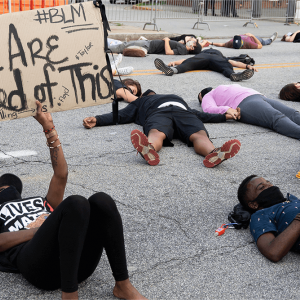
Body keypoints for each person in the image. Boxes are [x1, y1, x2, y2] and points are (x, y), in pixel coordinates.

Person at [0, 101, 147, 300]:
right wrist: (40, 230)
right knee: (75, 203)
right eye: (2, 187)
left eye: (8, 185)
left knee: (100, 201)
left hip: (77, 264)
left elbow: (61, 175)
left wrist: (49, 128)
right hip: (38, 268)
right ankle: (69, 295)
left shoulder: (38, 202)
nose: (6, 188)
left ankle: (123, 284)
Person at [83, 86, 241, 168]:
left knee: (198, 134)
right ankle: (148, 148)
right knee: (161, 132)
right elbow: (121, 114)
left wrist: (225, 116)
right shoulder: (140, 101)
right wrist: (97, 119)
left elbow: (202, 115)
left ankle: (215, 154)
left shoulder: (159, 99)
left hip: (181, 112)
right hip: (163, 112)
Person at [199, 84, 300, 140]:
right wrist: (227, 109)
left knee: (289, 114)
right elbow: (208, 109)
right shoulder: (208, 95)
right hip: (248, 101)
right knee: (278, 117)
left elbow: (209, 109)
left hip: (255, 97)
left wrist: (226, 109)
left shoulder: (214, 91)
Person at [237, 175, 300, 262]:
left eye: (269, 183)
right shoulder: (260, 215)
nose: (270, 186)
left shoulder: (292, 200)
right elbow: (273, 252)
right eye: (262, 187)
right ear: (253, 204)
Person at [154, 48, 257, 82]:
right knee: (226, 67)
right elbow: (234, 62)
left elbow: (187, 60)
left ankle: (173, 70)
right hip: (217, 59)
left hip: (202, 58)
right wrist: (248, 66)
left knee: (188, 64)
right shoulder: (221, 56)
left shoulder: (202, 53)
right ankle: (233, 75)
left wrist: (175, 63)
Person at [108, 37, 201, 55]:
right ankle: (108, 48)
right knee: (125, 45)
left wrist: (167, 41)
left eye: (194, 43)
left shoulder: (184, 50)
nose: (192, 41)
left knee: (123, 46)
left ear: (193, 47)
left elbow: (168, 52)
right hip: (149, 44)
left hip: (149, 46)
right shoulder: (183, 47)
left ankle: (104, 49)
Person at [210, 32, 278, 49]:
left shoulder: (232, 42)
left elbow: (222, 44)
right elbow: (260, 46)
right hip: (254, 39)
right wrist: (252, 36)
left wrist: (211, 43)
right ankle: (270, 40)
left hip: (248, 36)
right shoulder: (249, 43)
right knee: (263, 42)